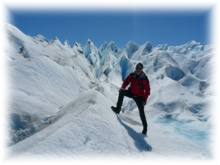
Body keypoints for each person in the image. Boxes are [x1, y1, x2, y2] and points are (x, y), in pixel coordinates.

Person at [111, 63, 150, 135]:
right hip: (131, 93)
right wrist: (123, 87)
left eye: (139, 68)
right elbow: (126, 81)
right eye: (137, 68)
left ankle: (145, 128)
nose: (138, 70)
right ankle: (117, 109)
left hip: (139, 97)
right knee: (121, 92)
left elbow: (147, 90)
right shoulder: (132, 75)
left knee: (141, 112)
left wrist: (145, 99)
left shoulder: (144, 78)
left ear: (142, 69)